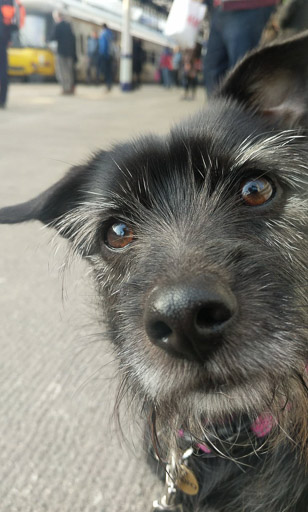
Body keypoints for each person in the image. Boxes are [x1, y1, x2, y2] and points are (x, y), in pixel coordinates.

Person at [203, 0, 280, 95]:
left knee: (240, 73)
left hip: (247, 7)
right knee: (212, 71)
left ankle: (239, 109)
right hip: (220, 8)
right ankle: (218, 109)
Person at [51, 11, 76, 95]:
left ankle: (65, 88)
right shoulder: (69, 26)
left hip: (61, 52)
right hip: (70, 52)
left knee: (62, 71)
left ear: (57, 17)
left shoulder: (58, 26)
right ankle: (70, 88)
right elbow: (73, 39)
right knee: (69, 71)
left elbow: (53, 37)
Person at [98, 23, 113, 91]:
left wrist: (102, 53)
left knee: (105, 71)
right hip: (110, 55)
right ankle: (109, 84)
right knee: (109, 70)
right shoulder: (110, 34)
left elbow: (103, 46)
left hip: (105, 55)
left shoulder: (103, 34)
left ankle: (107, 85)